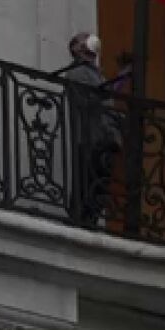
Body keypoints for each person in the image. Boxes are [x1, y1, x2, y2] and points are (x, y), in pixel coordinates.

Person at [55, 33, 122, 228]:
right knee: (87, 182)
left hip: (104, 136)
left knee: (100, 184)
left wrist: (122, 74)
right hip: (90, 137)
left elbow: (105, 94)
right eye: (84, 39)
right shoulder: (78, 72)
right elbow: (92, 98)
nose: (90, 40)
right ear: (75, 48)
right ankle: (79, 221)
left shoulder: (95, 73)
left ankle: (88, 220)